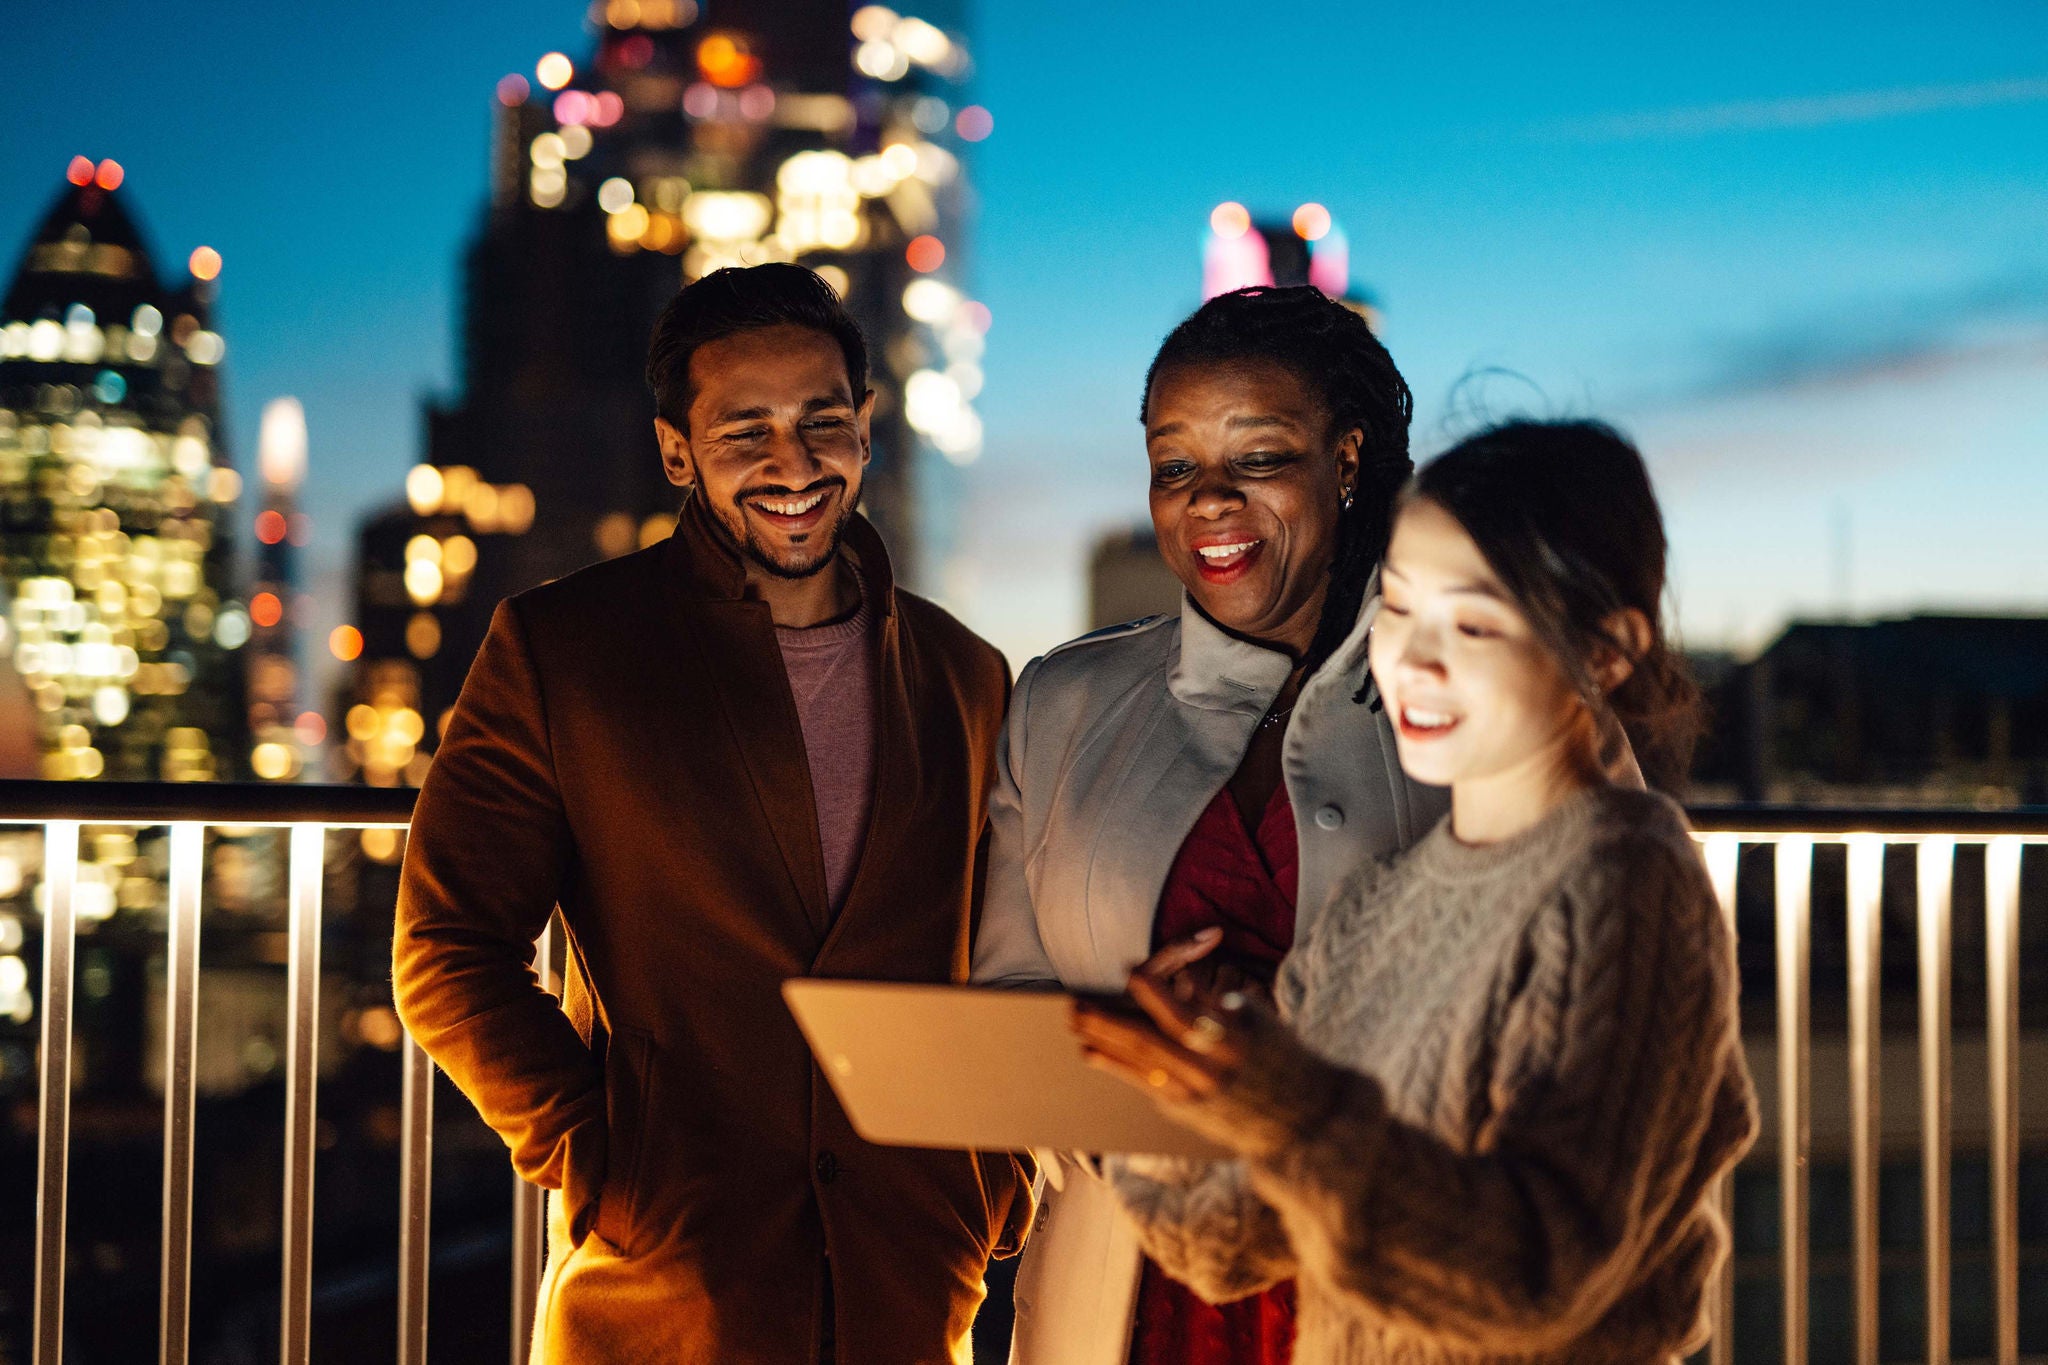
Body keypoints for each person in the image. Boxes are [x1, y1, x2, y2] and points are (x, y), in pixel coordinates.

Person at [393, 262, 1031, 1365]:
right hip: (665, 1293)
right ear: (676, 453)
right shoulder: (564, 650)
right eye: (746, 433)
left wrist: (993, 1182)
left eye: (822, 421)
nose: (793, 463)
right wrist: (603, 1160)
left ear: (867, 428)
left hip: (912, 1286)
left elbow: (1000, 953)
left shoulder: (964, 675)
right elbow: (446, 950)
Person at [1074, 420, 1760, 1364]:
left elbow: (1533, 1273)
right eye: (1397, 608)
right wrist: (1180, 1088)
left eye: (1474, 623)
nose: (1417, 660)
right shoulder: (1375, 910)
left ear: (1608, 650)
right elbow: (1231, 1247)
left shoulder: (1627, 880)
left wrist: (1287, 1106)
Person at [972, 285, 1447, 1365]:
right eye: (1174, 465)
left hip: (1386, 1280)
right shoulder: (1062, 704)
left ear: (1345, 460)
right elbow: (1006, 999)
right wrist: (1146, 1075)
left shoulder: (1476, 695)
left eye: (1260, 457)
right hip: (1126, 1287)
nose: (1208, 502)